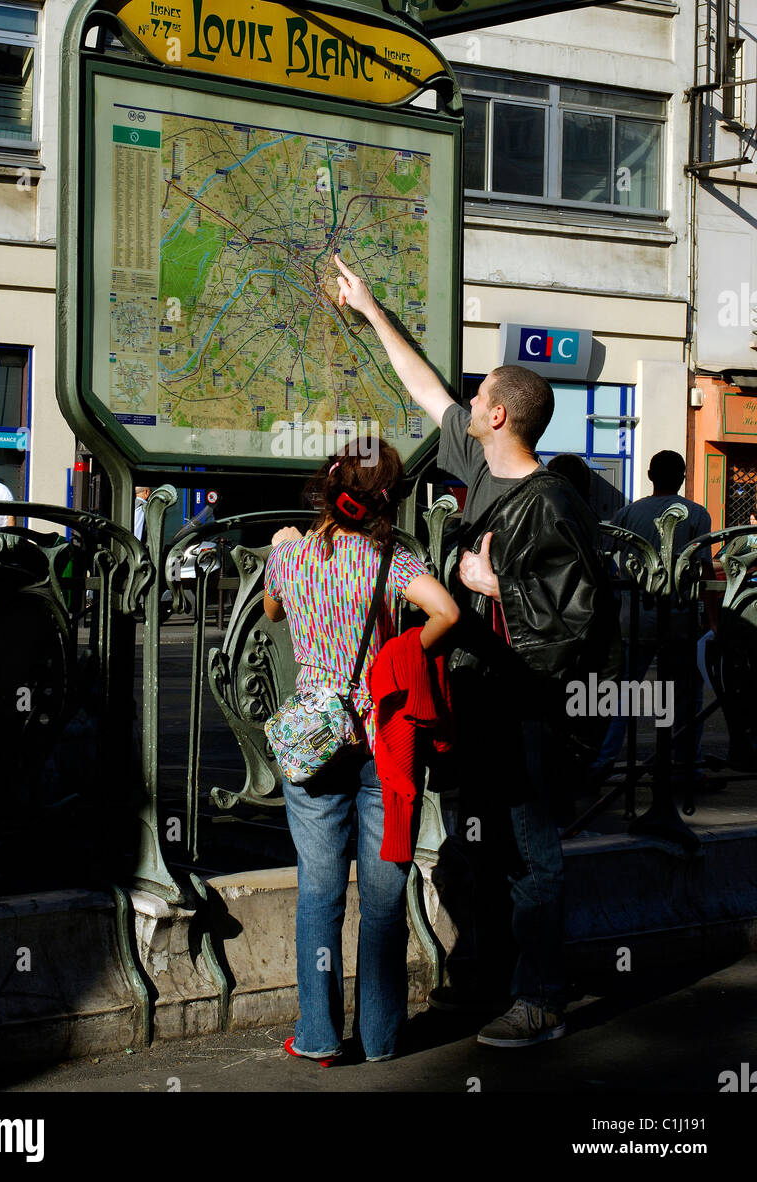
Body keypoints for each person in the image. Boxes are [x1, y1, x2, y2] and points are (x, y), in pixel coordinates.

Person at [332, 253, 616, 1047]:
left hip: (524, 715)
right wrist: (370, 309)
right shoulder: (481, 467)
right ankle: (487, 979)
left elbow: (573, 629)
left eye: (479, 397)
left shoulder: (552, 504)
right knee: (472, 850)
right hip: (473, 701)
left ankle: (544, 999)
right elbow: (424, 387)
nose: (466, 404)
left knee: (533, 858)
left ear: (499, 416)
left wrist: (493, 590)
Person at [263, 439, 459, 1064]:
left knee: (319, 893)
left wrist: (279, 552)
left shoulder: (290, 553)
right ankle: (381, 1038)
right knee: (383, 896)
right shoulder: (391, 556)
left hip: (315, 740)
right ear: (387, 500)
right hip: (382, 737)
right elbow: (447, 612)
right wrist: (406, 653)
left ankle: (319, 1034)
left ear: (327, 484)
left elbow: (271, 611)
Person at [592, 450, 714, 784]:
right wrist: (709, 617)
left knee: (623, 695)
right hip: (680, 617)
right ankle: (689, 766)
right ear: (683, 477)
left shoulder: (629, 512)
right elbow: (702, 569)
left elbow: (603, 551)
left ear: (648, 474)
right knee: (687, 697)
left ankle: (602, 763)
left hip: (634, 618)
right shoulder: (697, 515)